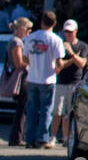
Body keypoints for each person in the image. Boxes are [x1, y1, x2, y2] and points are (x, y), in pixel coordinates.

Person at [22, 11, 63, 149]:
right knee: (46, 109)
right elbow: (59, 61)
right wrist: (58, 67)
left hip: (32, 77)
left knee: (32, 109)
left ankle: (29, 138)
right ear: (54, 24)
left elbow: (25, 58)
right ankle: (42, 138)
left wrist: (33, 63)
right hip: (48, 78)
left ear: (41, 22)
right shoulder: (55, 40)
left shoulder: (30, 38)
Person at [50, 19, 88, 144]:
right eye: (66, 31)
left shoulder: (82, 46)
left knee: (70, 111)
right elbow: (58, 66)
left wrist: (71, 54)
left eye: (71, 31)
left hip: (75, 82)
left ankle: (67, 138)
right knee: (57, 111)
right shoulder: (59, 44)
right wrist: (72, 61)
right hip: (61, 82)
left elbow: (82, 63)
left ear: (76, 31)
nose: (68, 34)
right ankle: (52, 137)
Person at [6, 16, 31, 146]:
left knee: (21, 109)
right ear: (21, 29)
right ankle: (16, 138)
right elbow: (18, 63)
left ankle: (16, 137)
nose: (29, 33)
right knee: (21, 109)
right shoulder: (16, 42)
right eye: (28, 29)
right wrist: (31, 63)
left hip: (22, 78)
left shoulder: (16, 41)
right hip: (21, 79)